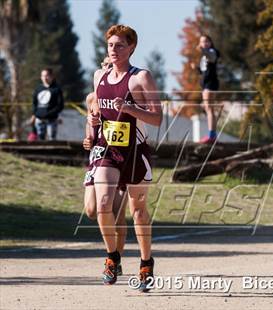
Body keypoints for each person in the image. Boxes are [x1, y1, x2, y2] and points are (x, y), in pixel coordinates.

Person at [88, 24, 162, 289]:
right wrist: (94, 119)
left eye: (120, 45)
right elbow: (96, 108)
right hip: (109, 150)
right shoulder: (99, 76)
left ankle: (146, 263)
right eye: (110, 45)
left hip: (135, 151)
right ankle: (112, 256)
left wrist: (131, 108)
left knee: (138, 212)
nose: (114, 50)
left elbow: (157, 117)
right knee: (103, 203)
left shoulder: (141, 77)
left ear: (131, 48)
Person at [82, 88, 127, 276]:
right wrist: (88, 139)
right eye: (106, 66)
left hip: (122, 157)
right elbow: (90, 125)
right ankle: (114, 255)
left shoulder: (126, 94)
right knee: (92, 210)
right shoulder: (92, 98)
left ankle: (115, 259)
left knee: (117, 215)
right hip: (98, 157)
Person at [193, 34, 220, 144]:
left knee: (209, 109)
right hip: (206, 85)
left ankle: (212, 136)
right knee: (208, 108)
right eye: (202, 42)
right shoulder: (204, 57)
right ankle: (212, 135)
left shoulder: (212, 52)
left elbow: (211, 57)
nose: (204, 43)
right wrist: (197, 69)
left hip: (210, 84)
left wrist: (203, 50)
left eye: (206, 41)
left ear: (210, 42)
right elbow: (205, 71)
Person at [31, 68, 64, 140]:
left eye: (46, 76)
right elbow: (34, 103)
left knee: (52, 138)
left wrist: (52, 114)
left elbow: (60, 105)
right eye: (43, 76)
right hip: (39, 118)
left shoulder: (57, 89)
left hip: (52, 119)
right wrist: (34, 114)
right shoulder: (38, 88)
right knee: (40, 138)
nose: (45, 78)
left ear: (52, 76)